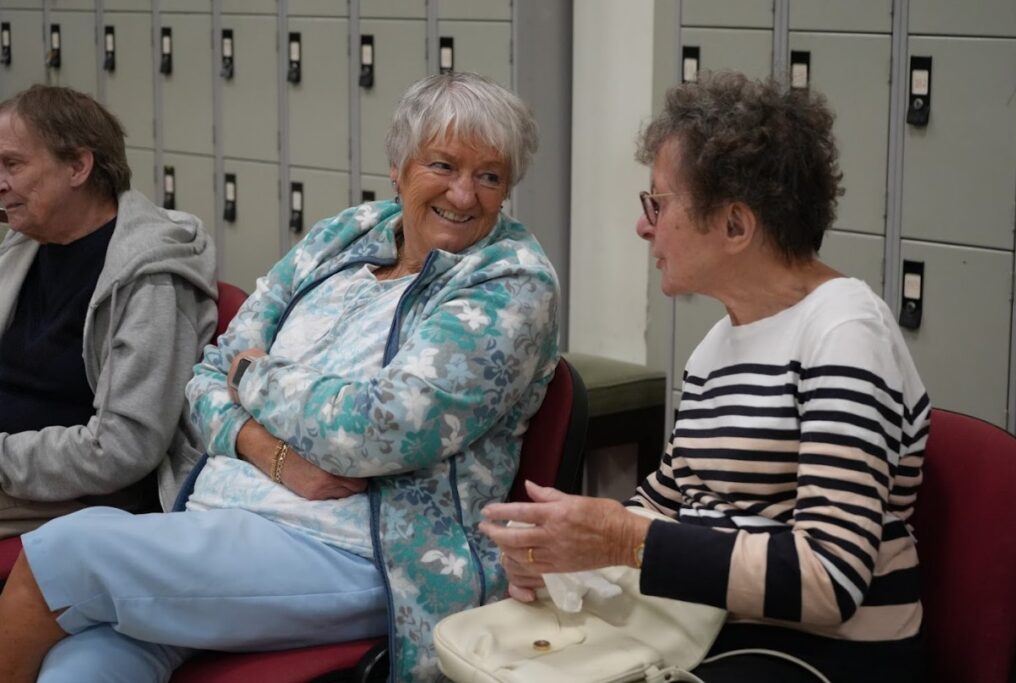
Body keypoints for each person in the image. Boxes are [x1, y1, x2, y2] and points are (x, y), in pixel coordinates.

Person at [0, 72, 559, 683]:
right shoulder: (344, 237)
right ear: (399, 168)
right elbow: (205, 380)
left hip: (359, 554)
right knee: (84, 664)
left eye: (490, 176)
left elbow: (379, 428)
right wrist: (270, 452)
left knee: (68, 554)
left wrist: (257, 377)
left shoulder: (509, 281)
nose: (464, 194)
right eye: (443, 165)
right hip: (219, 520)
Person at [482, 72, 930, 683]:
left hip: (823, 656)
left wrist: (620, 541)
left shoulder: (844, 332)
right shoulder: (720, 344)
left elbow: (831, 579)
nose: (645, 227)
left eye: (658, 204)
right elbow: (672, 498)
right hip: (714, 631)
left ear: (736, 226)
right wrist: (565, 552)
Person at [0, 85, 217, 537]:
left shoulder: (151, 278)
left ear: (78, 166)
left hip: (75, 496)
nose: (1, 182)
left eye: (13, 165)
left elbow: (123, 450)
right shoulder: (27, 242)